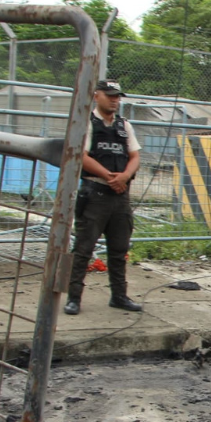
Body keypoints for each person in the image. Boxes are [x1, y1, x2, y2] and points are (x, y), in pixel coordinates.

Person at [64, 80, 142, 315]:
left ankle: (119, 296)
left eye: (117, 96)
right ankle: (74, 298)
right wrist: (111, 177)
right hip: (95, 193)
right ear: (96, 96)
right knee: (83, 249)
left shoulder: (124, 125)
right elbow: (81, 156)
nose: (115, 100)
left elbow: (135, 156)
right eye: (110, 96)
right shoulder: (87, 123)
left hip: (120, 197)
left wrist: (125, 176)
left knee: (119, 249)